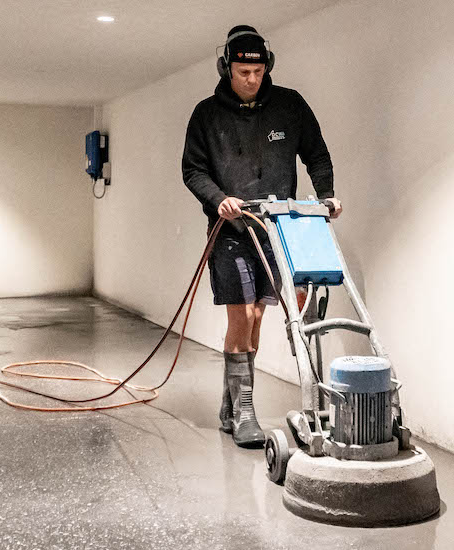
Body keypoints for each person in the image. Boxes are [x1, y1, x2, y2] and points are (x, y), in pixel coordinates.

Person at [182, 25, 341, 448]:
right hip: (232, 229)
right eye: (242, 71)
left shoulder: (290, 106)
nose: (251, 79)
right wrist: (219, 199)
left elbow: (317, 155)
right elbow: (192, 170)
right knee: (243, 316)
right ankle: (246, 411)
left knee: (259, 316)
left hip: (275, 230)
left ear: (266, 66)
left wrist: (326, 197)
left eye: (257, 70)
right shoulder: (206, 114)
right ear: (226, 67)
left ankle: (228, 406)